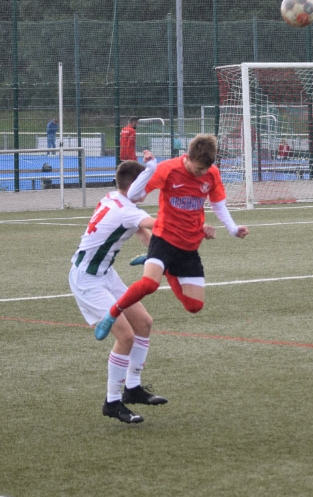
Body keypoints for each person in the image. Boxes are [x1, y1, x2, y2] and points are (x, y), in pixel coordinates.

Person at [93, 133, 249, 341]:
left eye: (206, 169)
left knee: (194, 306)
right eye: (199, 169)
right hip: (164, 239)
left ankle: (166, 269)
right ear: (188, 158)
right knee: (149, 284)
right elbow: (133, 195)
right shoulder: (168, 169)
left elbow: (218, 205)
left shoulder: (212, 173)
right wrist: (150, 169)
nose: (202, 174)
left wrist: (233, 229)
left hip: (189, 245)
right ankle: (112, 313)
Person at [70, 157, 179, 424]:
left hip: (105, 274)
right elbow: (160, 226)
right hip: (87, 280)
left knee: (143, 323)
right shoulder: (126, 211)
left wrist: (157, 255)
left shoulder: (114, 198)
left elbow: (142, 232)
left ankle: (133, 388)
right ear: (134, 186)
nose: (147, 190)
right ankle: (112, 402)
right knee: (126, 336)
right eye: (145, 185)